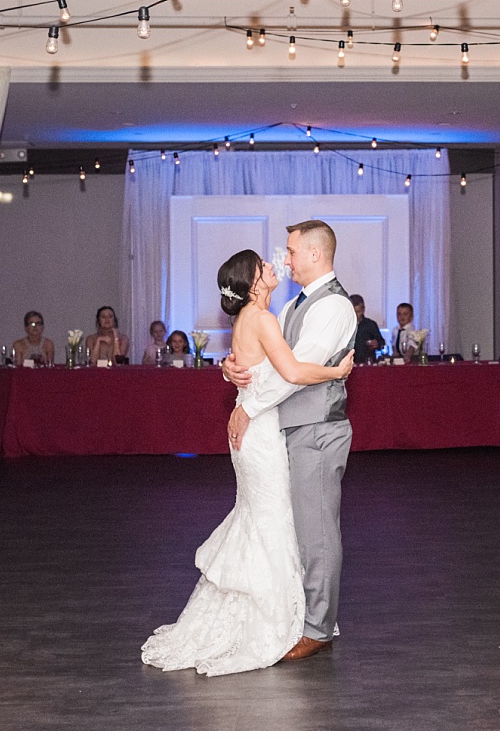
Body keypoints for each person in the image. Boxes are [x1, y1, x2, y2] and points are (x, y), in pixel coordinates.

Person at [142, 248, 353, 676]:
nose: (275, 266)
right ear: (254, 283)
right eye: (265, 267)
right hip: (261, 432)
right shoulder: (265, 318)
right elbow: (292, 372)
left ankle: (288, 615)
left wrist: (231, 373)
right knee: (271, 520)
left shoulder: (249, 319)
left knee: (259, 518)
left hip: (255, 428)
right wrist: (337, 372)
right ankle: (275, 620)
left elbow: (259, 370)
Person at [221, 220, 358, 662]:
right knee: (293, 527)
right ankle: (298, 614)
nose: (285, 259)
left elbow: (295, 373)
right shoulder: (292, 305)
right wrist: (232, 368)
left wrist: (248, 406)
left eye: (291, 251)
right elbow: (268, 366)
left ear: (315, 255)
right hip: (289, 429)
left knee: (316, 530)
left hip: (317, 428)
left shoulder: (334, 307)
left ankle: (317, 628)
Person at [349, 294, 384, 364]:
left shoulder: (370, 324)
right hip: (349, 364)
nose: (355, 315)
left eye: (358, 312)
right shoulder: (344, 326)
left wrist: (376, 344)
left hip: (367, 363)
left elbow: (381, 342)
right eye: (353, 312)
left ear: (363, 309)